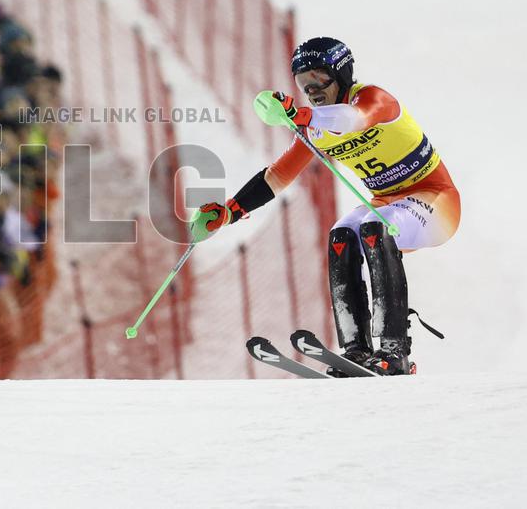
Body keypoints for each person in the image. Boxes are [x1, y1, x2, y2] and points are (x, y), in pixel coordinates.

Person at [192, 37, 459, 376]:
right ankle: (356, 349)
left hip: (435, 199)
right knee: (341, 234)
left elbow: (353, 119)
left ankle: (395, 352)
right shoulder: (316, 126)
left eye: (319, 78)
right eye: (304, 83)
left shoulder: (373, 99)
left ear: (343, 74)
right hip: (389, 202)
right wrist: (230, 211)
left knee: (373, 226)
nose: (312, 89)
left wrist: (299, 114)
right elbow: (277, 175)